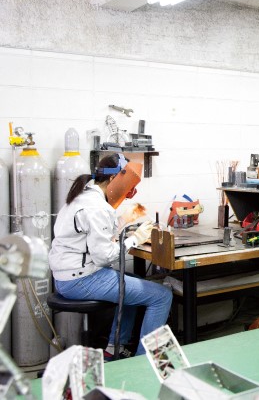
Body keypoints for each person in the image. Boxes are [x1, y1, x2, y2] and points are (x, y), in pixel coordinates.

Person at [49, 153, 172, 359]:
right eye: (127, 185)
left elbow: (94, 235)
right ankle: (145, 360)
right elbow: (104, 257)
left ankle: (114, 348)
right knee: (161, 296)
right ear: (114, 178)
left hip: (66, 278)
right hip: (81, 280)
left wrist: (125, 219)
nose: (128, 192)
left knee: (136, 283)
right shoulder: (97, 207)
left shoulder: (82, 197)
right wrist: (136, 239)